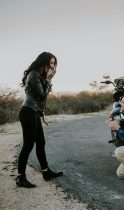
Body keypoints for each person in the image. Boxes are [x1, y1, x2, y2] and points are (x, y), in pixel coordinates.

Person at [16, 52, 63, 188]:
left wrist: (42, 114)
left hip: (34, 112)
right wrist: (49, 79)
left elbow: (41, 101)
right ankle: (20, 177)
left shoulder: (40, 76)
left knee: (40, 142)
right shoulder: (33, 75)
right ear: (43, 62)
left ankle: (46, 171)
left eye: (54, 63)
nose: (53, 66)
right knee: (28, 145)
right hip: (28, 112)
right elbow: (41, 95)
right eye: (51, 63)